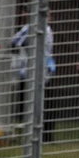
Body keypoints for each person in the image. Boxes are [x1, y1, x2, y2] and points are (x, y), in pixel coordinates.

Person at [10, 13, 54, 143]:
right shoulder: (32, 28)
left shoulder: (46, 29)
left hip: (39, 71)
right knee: (31, 103)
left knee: (39, 103)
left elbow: (15, 41)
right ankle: (33, 134)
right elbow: (16, 42)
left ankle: (41, 135)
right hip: (31, 71)